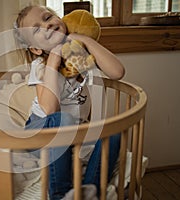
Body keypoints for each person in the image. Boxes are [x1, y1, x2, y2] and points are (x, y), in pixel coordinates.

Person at [13, 5, 125, 199]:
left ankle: (90, 191)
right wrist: (54, 60)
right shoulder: (40, 66)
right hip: (40, 133)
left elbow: (117, 72)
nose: (47, 25)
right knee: (62, 119)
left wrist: (85, 40)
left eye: (48, 18)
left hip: (74, 133)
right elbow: (50, 110)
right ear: (36, 49)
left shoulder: (81, 58)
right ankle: (61, 194)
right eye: (37, 29)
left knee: (112, 133)